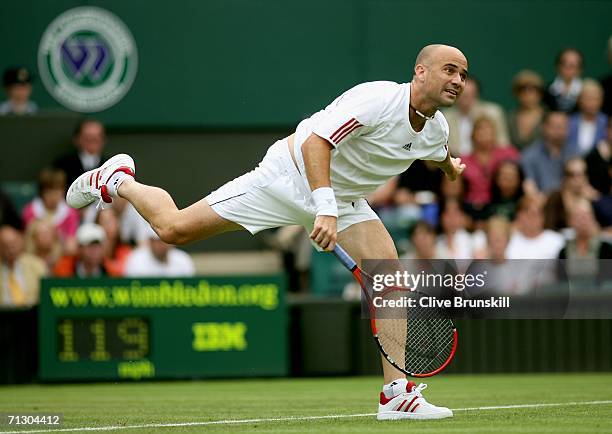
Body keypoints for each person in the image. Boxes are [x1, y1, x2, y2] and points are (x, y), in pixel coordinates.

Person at [66, 44, 468, 420]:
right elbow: (316, 142)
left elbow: (438, 156)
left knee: (388, 272)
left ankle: (396, 395)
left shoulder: (437, 130)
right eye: (449, 70)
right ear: (420, 72)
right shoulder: (378, 99)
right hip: (288, 176)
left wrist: (451, 168)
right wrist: (323, 208)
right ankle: (119, 181)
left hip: (341, 199)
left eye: (463, 75)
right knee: (174, 230)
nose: (457, 81)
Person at [461, 116, 519, 221]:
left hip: (503, 206)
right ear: (472, 134)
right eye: (480, 129)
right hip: (472, 209)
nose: (484, 133)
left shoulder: (508, 154)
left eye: (488, 129)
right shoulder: (463, 160)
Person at [442, 76, 510, 155]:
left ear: (476, 94)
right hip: (454, 161)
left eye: (469, 95)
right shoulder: (446, 116)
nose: (465, 99)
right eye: (462, 94)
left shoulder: (493, 113)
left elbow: (503, 143)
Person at [22, 168, 79, 255]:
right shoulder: (30, 211)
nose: (53, 195)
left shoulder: (70, 213)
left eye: (57, 190)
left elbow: (71, 245)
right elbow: (27, 242)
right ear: (42, 192)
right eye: (49, 191)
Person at [521, 111, 578, 196]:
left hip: (570, 200)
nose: (560, 131)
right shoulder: (530, 155)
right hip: (540, 201)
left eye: (564, 127)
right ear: (544, 127)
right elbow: (529, 186)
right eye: (556, 127)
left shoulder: (575, 152)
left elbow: (579, 182)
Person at [0, 225, 46, 307]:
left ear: (21, 241)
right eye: (6, 246)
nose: (11, 249)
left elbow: (45, 294)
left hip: (31, 315)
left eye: (13, 244)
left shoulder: (36, 265)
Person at [53, 119, 109, 186]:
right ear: (76, 139)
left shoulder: (110, 166)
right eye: (87, 138)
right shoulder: (62, 164)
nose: (92, 142)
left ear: (104, 140)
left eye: (96, 138)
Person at [124, 226, 195, 277]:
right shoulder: (136, 260)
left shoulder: (183, 259)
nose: (162, 245)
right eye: (158, 241)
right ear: (150, 241)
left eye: (166, 240)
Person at [507, 70, 546, 150]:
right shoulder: (510, 118)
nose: (527, 95)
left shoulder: (548, 116)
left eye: (532, 90)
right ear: (516, 94)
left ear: (540, 93)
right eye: (523, 90)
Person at [568, 79, 608, 156]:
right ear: (579, 100)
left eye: (596, 99)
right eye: (588, 99)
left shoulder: (607, 123)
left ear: (601, 100)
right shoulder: (569, 121)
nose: (592, 103)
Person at [543, 48, 584, 113]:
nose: (568, 68)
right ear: (557, 66)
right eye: (565, 64)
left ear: (580, 69)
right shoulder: (547, 90)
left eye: (573, 65)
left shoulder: (585, 91)